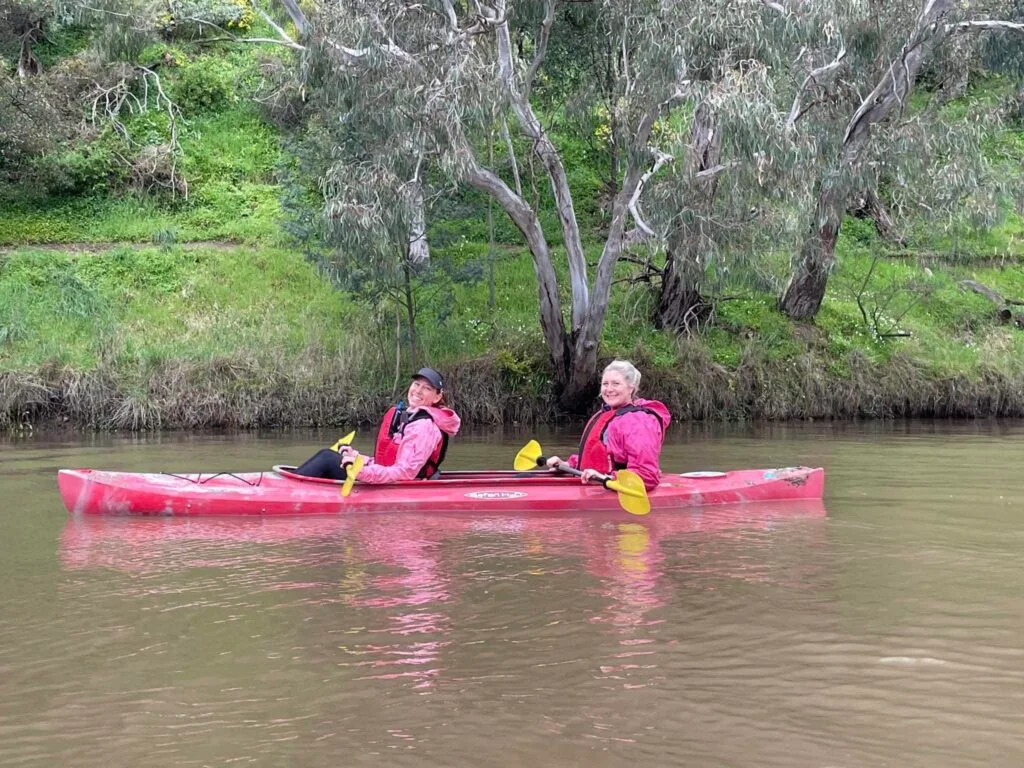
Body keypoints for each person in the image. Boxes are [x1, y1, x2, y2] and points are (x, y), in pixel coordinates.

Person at [293, 367, 461, 483]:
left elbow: (405, 473)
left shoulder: (424, 426)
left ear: (437, 397)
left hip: (400, 487)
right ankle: (291, 484)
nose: (418, 390)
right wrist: (356, 458)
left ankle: (286, 490)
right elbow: (386, 461)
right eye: (416, 384)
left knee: (327, 458)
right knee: (330, 455)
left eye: (426, 388)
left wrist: (360, 471)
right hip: (386, 479)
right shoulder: (410, 418)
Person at [545, 359, 670, 491]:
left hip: (619, 486)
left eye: (616, 384)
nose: (609, 389)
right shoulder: (609, 414)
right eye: (605, 384)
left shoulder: (638, 422)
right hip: (599, 482)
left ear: (631, 387)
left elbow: (646, 475)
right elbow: (600, 456)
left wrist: (605, 479)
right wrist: (567, 465)